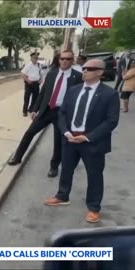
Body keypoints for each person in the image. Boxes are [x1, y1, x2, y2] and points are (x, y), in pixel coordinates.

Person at [44, 59, 120, 223]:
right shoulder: (73, 90)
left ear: (100, 72)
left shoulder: (110, 94)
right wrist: (65, 131)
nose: (84, 71)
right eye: (84, 68)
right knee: (66, 169)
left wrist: (88, 137)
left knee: (94, 175)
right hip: (70, 139)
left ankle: (93, 207)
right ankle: (63, 195)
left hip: (92, 142)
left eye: (90, 69)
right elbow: (62, 113)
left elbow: (111, 121)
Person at [8, 50, 83, 178]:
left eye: (68, 59)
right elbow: (43, 93)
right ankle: (17, 157)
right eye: (62, 58)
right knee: (29, 132)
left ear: (72, 60)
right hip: (47, 110)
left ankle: (54, 167)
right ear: (59, 60)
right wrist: (35, 109)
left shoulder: (77, 77)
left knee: (58, 141)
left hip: (62, 113)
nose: (65, 61)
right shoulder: (52, 74)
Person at [20, 52, 42, 117]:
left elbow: (40, 73)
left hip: (36, 84)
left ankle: (31, 109)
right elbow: (23, 74)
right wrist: (27, 80)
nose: (36, 59)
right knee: (27, 98)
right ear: (31, 58)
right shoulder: (28, 65)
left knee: (35, 98)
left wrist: (41, 79)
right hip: (29, 84)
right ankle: (24, 111)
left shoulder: (38, 65)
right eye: (35, 57)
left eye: (37, 58)